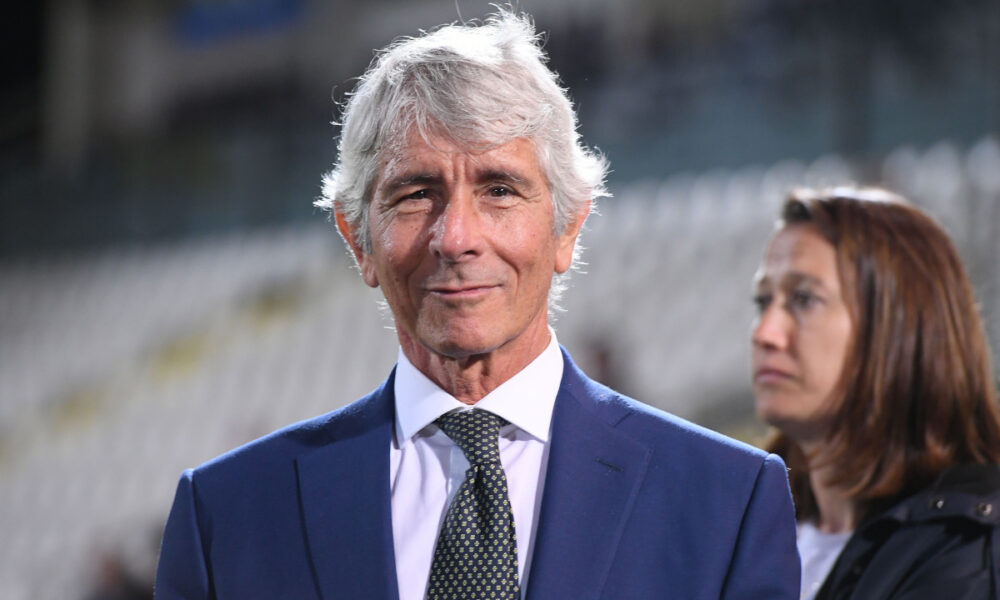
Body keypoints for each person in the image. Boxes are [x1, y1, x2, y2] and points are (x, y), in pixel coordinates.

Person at [155, 10, 799, 599]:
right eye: (414, 194)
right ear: (358, 242)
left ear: (568, 227)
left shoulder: (726, 502)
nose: (456, 238)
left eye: (499, 189)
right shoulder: (227, 513)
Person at [751, 186, 1000, 600]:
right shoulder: (748, 526)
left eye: (803, 299)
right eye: (762, 302)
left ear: (903, 326)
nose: (765, 333)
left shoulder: (969, 545)